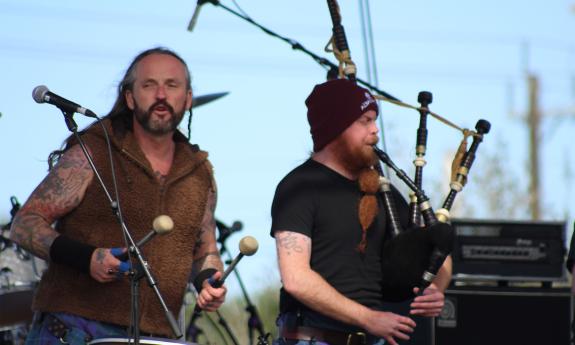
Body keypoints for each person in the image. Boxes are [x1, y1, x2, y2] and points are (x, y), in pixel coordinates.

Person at [9, 47, 226, 344]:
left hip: (156, 338)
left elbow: (205, 252)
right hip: (73, 333)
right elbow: (25, 224)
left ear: (187, 99)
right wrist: (86, 258)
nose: (161, 94)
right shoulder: (93, 151)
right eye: (149, 84)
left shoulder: (200, 173)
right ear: (130, 97)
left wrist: (208, 282)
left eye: (172, 85)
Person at [270, 78, 452, 345]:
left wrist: (436, 287)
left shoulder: (380, 191)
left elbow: (436, 244)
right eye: (365, 121)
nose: (375, 131)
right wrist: (369, 318)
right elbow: (296, 279)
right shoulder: (299, 187)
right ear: (336, 128)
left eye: (374, 120)